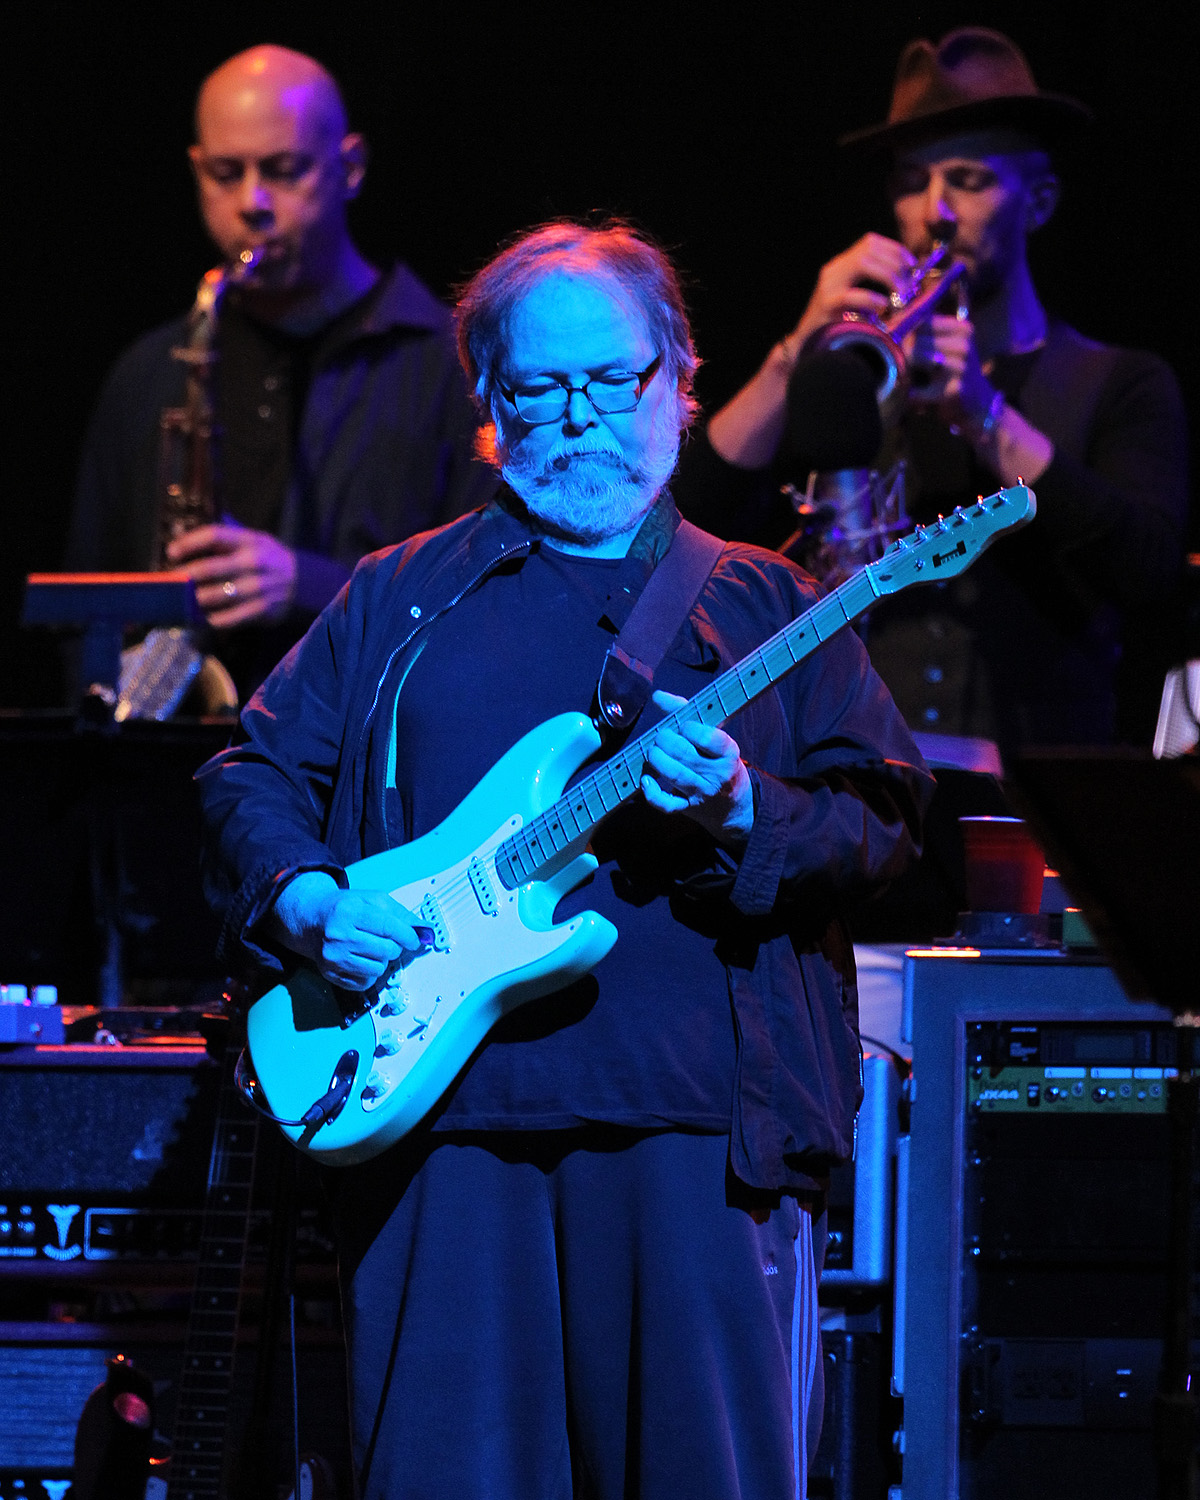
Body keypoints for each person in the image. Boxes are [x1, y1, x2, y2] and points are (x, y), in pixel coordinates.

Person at [196, 221, 933, 1499]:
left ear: (680, 378)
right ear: (488, 401)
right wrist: (309, 900)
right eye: (540, 387)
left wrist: (744, 811)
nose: (581, 417)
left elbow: (889, 825)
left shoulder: (768, 603)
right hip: (434, 1125)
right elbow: (248, 773)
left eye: (612, 379)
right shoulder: (400, 595)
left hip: (699, 1135)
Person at [679, 27, 1189, 755]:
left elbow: (1152, 571)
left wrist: (985, 415)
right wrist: (796, 355)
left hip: (1037, 788)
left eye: (968, 180)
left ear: (1039, 202)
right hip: (858, 782)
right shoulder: (854, 380)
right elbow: (680, 522)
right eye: (912, 182)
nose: (934, 212)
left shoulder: (1122, 383)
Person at [67, 44, 495, 703]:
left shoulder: (453, 366)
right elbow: (80, 609)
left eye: (284, 170)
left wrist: (308, 585)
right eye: (224, 174)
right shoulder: (149, 373)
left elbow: (492, 601)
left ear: (350, 167)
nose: (252, 202)